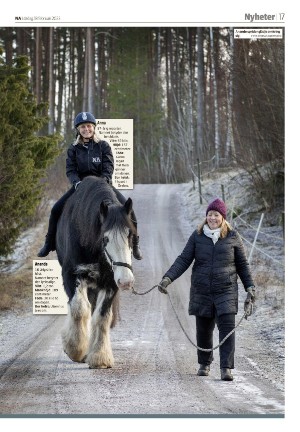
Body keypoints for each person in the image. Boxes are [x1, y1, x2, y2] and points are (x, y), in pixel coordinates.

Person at [158, 198, 255, 381]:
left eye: (216, 215)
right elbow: (183, 259)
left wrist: (250, 286)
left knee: (227, 330)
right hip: (202, 291)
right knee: (203, 330)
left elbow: (242, 265)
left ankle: (226, 368)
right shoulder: (197, 235)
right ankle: (204, 363)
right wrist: (168, 278)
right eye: (210, 214)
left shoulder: (233, 236)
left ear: (223, 217)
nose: (212, 218)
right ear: (206, 216)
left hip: (225, 291)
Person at [37, 111, 143, 260]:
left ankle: (136, 244)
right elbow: (70, 170)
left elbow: (108, 166)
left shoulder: (103, 146)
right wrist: (76, 182)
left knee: (129, 210)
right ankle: (49, 244)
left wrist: (105, 179)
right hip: (80, 186)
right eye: (82, 127)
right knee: (55, 210)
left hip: (102, 185)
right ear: (78, 130)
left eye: (88, 126)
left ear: (93, 127)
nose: (86, 129)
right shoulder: (73, 149)